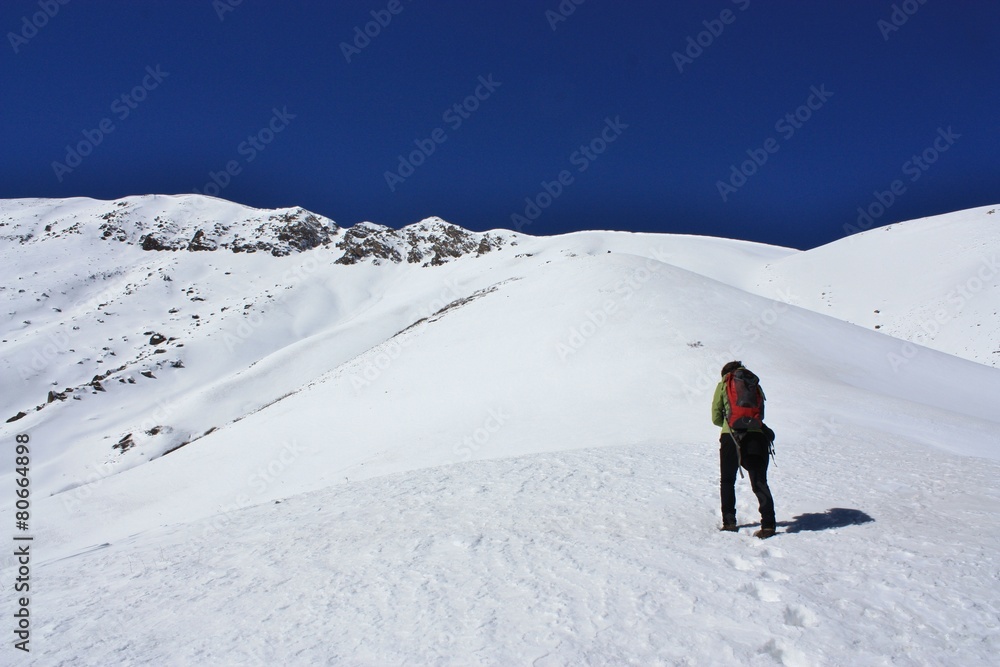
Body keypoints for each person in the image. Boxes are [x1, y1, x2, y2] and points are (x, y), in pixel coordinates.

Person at [712, 361, 776, 538]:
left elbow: (715, 415)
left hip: (731, 435)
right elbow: (760, 413)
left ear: (726, 373)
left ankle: (730, 522)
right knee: (759, 481)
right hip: (756, 435)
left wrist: (728, 424)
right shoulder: (755, 384)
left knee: (727, 480)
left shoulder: (725, 382)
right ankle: (769, 525)